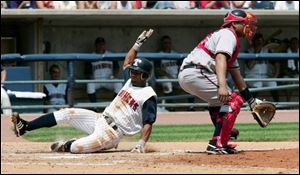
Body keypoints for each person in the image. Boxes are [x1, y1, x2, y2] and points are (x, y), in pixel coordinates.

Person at [11, 29, 156, 154]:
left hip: (112, 134)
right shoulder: (130, 82)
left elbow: (148, 122)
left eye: (137, 72)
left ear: (145, 75)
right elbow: (127, 62)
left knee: (76, 148)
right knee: (66, 113)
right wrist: (137, 44)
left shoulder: (148, 95)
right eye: (133, 71)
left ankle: (69, 144)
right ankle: (25, 127)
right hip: (100, 119)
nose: (132, 74)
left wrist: (140, 144)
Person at [178, 10, 261, 154]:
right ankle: (217, 143)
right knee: (233, 100)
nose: (249, 27)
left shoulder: (228, 37)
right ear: (234, 24)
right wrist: (222, 86)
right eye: (245, 23)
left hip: (192, 73)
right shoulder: (228, 34)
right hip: (197, 71)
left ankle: (221, 138)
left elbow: (237, 76)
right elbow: (220, 58)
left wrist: (251, 101)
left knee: (219, 103)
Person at [85, 37, 122, 104]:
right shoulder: (91, 56)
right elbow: (87, 71)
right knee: (89, 84)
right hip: (96, 80)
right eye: (99, 44)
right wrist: (91, 77)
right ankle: (94, 106)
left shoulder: (111, 55)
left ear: (104, 45)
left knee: (119, 84)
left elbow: (116, 68)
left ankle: (113, 105)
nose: (100, 46)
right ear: (95, 46)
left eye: (102, 44)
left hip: (108, 79)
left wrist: (114, 75)